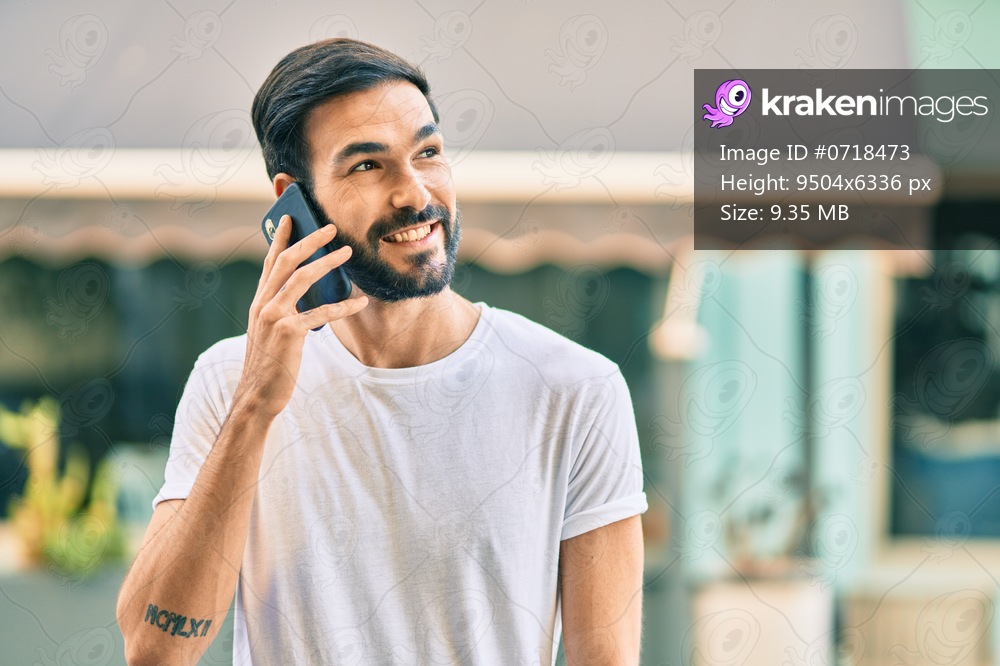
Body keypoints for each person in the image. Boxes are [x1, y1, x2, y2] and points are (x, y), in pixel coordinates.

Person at [116, 38, 647, 665]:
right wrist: (256, 406)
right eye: (367, 165)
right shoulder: (230, 382)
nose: (414, 193)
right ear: (297, 200)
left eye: (428, 153)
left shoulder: (575, 389)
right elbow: (154, 649)